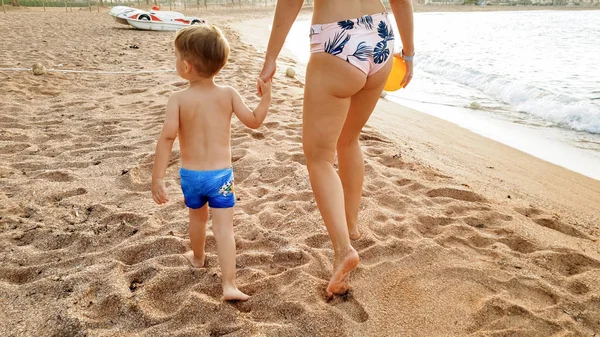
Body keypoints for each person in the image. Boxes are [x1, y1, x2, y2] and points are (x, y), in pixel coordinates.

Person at [258, 0, 414, 298]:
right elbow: (401, 1)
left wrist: (271, 58)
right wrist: (409, 51)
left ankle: (344, 249)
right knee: (348, 138)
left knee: (319, 156)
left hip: (336, 41)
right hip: (380, 35)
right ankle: (352, 227)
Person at [152, 25, 272, 301]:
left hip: (191, 176)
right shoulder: (228, 93)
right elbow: (254, 121)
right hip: (221, 177)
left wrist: (157, 177)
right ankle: (229, 283)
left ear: (185, 66)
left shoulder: (178, 99)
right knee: (224, 228)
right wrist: (266, 98)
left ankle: (197, 257)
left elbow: (167, 138)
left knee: (197, 217)